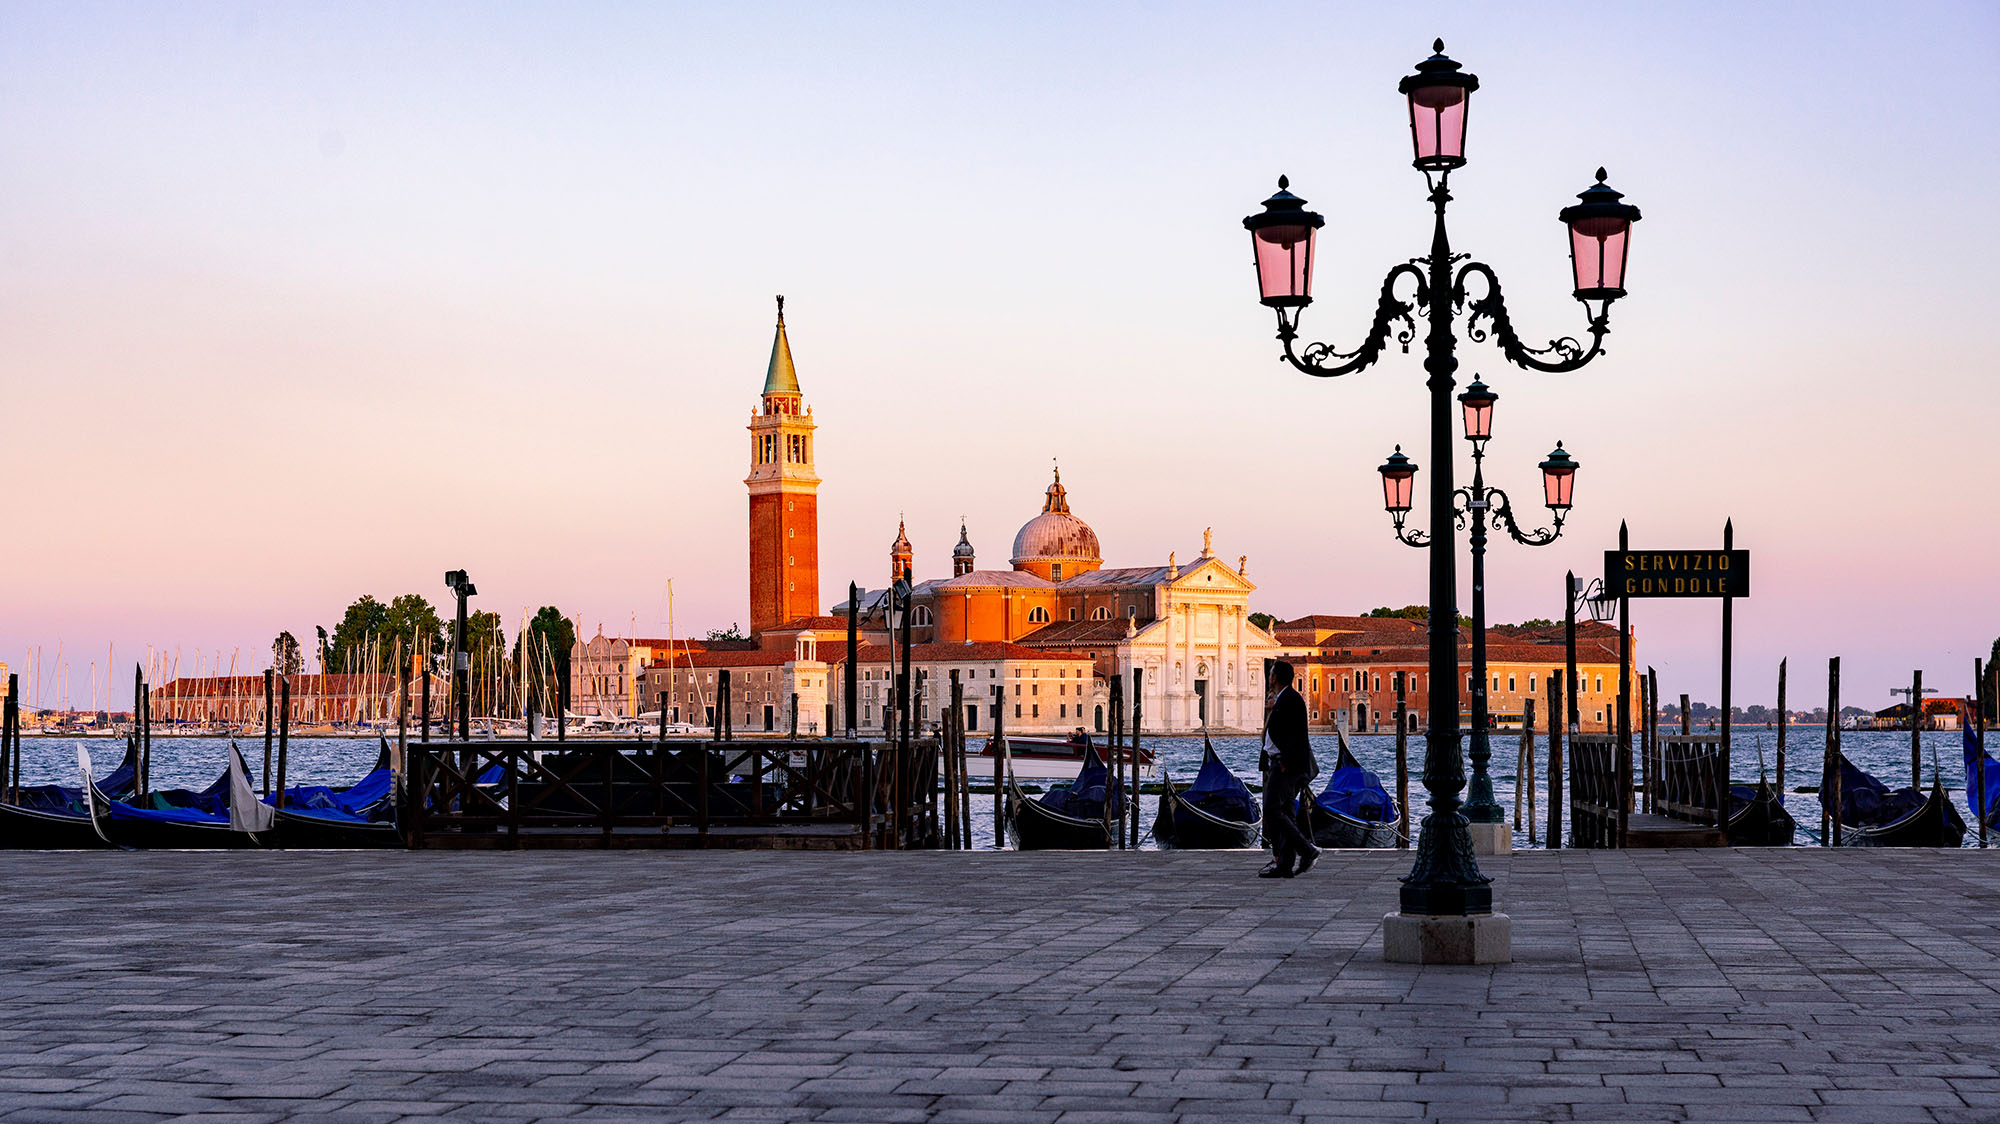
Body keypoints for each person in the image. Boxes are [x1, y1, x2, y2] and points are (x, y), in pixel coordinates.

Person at [1258, 660, 1322, 878]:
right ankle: (1284, 865)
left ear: (1275, 677)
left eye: (1270, 673)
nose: (1268, 677)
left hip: (1285, 766)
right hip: (1280, 763)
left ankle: (1307, 849)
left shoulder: (1290, 699)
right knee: (1285, 812)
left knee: (1272, 810)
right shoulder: (1283, 699)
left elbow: (1295, 735)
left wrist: (1285, 761)